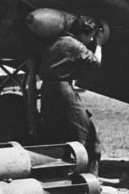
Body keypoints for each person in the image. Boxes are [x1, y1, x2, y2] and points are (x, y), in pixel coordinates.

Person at [39, 16, 103, 175]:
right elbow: (96, 62)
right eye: (90, 36)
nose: (90, 40)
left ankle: (57, 172)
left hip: (47, 89)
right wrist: (99, 45)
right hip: (62, 89)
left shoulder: (56, 41)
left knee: (54, 130)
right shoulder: (74, 45)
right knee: (87, 132)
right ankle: (90, 176)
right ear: (83, 33)